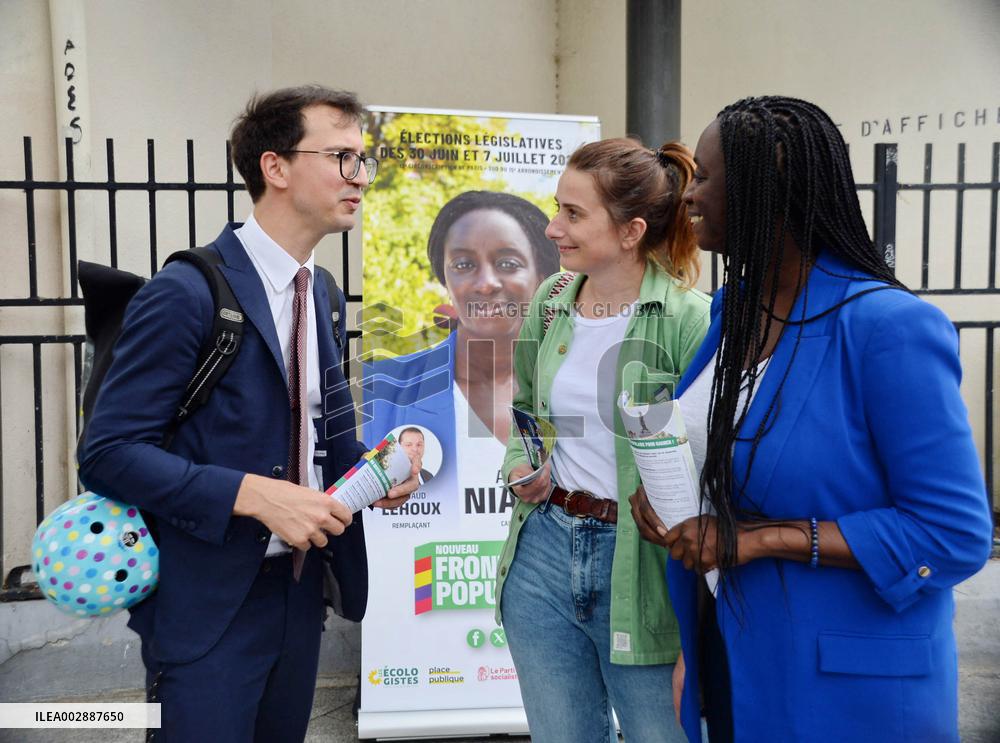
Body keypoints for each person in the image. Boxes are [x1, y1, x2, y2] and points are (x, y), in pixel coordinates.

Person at [629, 96, 993, 742]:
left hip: (850, 694)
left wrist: (760, 538)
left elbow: (955, 532)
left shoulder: (888, 328)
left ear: (766, 189)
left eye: (706, 178)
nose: (691, 197)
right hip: (735, 657)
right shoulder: (733, 309)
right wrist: (670, 497)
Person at [78, 86, 420, 742]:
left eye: (363, 159)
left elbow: (327, 430)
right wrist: (253, 495)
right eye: (343, 157)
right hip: (206, 603)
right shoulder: (184, 293)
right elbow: (107, 454)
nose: (362, 176)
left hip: (299, 592)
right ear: (276, 167)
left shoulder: (318, 290)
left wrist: (384, 465)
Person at [496, 138, 711, 743]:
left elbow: (712, 466)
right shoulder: (550, 302)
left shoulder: (690, 319)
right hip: (541, 554)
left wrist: (701, 628)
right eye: (556, 207)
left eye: (572, 213)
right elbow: (526, 410)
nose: (551, 227)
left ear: (630, 231)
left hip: (642, 564)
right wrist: (523, 463)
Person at [363, 191, 559, 483]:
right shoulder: (377, 391)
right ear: (444, 278)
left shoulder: (585, 387)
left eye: (508, 264)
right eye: (464, 265)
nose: (485, 284)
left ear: (542, 277)